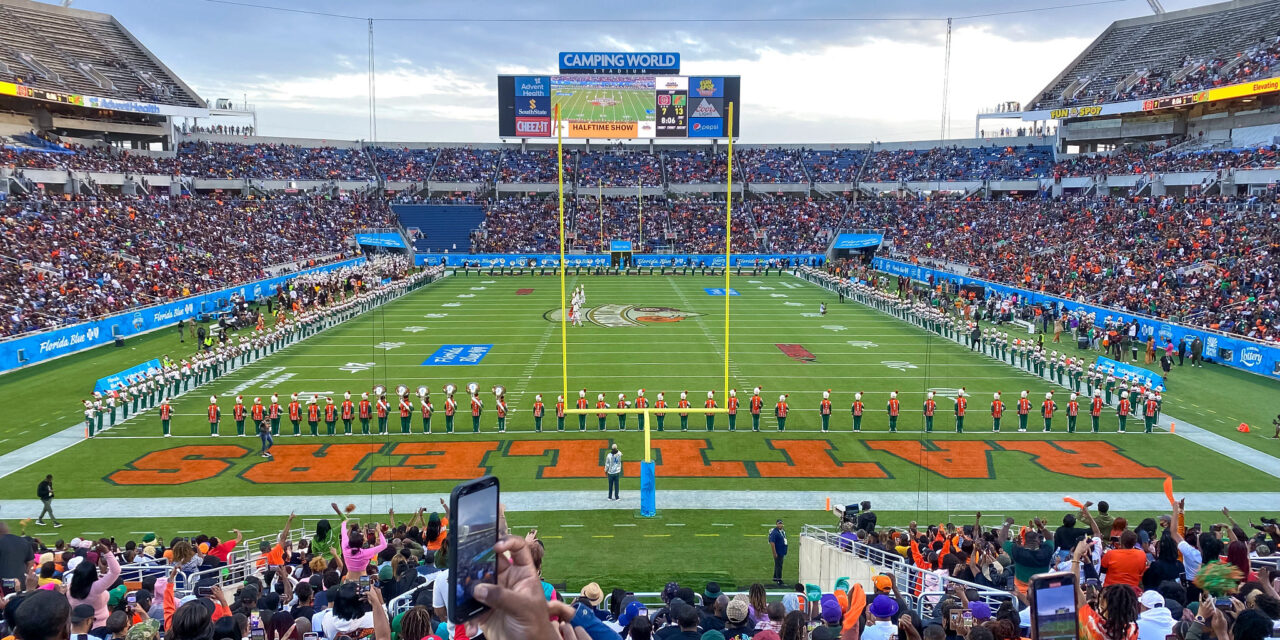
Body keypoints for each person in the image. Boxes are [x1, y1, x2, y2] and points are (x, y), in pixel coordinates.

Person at [769, 519, 787, 586]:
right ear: (776, 524)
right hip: (778, 551)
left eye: (781, 523)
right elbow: (772, 542)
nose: (780, 525)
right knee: (779, 565)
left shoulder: (782, 531)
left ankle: (775, 578)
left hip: (782, 551)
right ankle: (779, 580)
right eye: (779, 524)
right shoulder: (775, 532)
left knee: (777, 565)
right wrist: (774, 553)